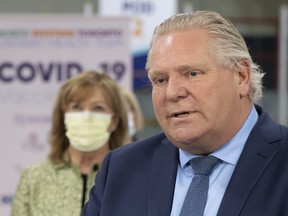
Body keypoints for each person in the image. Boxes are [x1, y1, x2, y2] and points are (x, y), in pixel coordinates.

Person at [82, 11, 288, 216]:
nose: (172, 93)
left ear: (241, 77)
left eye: (192, 74)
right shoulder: (121, 170)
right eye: (160, 80)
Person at [11, 71, 129, 216]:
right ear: (63, 117)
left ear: (114, 121)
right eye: (77, 107)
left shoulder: (130, 178)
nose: (86, 116)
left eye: (98, 107)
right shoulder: (34, 177)